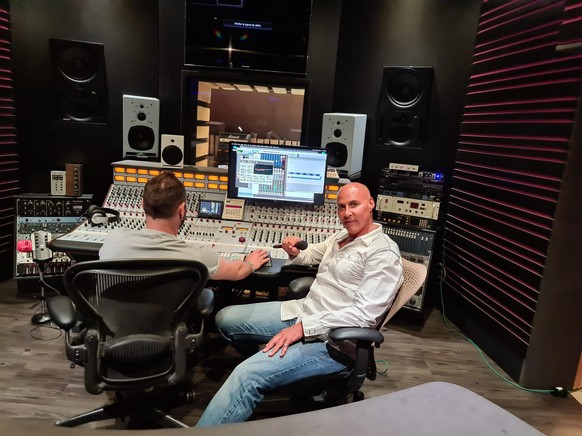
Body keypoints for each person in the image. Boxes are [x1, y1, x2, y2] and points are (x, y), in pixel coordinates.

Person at [196, 182, 403, 427]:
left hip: (332, 341)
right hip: (303, 312)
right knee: (225, 319)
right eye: (341, 207)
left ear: (371, 204)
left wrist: (303, 329)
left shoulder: (383, 254)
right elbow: (312, 253)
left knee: (245, 374)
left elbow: (363, 316)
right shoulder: (342, 236)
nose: (346, 213)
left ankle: (260, 374)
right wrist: (295, 251)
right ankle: (275, 371)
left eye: (354, 205)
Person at [99, 171, 270, 279]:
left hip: (111, 326)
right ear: (182, 210)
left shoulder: (113, 240)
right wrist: (250, 264)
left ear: (142, 205)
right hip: (166, 325)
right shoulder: (196, 257)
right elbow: (237, 272)